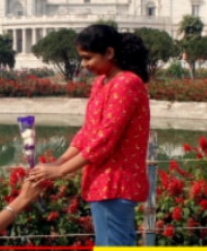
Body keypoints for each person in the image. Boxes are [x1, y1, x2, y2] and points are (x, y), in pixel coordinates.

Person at [28, 24, 151, 246]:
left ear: (109, 53)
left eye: (88, 58)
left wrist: (61, 171)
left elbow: (105, 139)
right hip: (102, 183)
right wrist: (59, 161)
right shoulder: (102, 82)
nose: (83, 65)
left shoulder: (126, 83)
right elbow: (88, 131)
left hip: (116, 184)